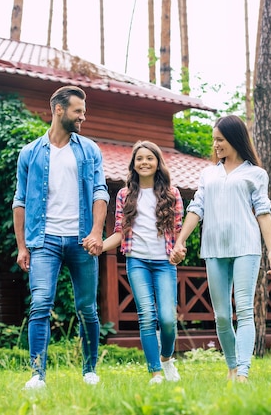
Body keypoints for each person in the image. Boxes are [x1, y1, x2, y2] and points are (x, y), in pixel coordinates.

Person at [13, 85, 110, 390]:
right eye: (78, 111)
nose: (84, 116)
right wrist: (21, 247)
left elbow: (99, 192)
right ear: (58, 109)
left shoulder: (89, 150)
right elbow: (21, 201)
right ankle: (37, 375)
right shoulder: (30, 152)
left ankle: (89, 370)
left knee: (87, 309)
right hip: (44, 241)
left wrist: (96, 232)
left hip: (82, 239)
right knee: (40, 303)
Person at [169, 115, 271, 383]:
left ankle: (242, 372)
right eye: (214, 140)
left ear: (234, 139)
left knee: (243, 310)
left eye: (220, 139)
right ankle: (231, 367)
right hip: (214, 248)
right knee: (220, 315)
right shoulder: (209, 174)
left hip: (246, 247)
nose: (215, 144)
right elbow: (197, 208)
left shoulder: (256, 174)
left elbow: (263, 212)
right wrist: (180, 240)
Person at [102, 140, 183, 385]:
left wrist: (180, 249)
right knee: (147, 316)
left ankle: (167, 358)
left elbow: (178, 232)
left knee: (168, 319)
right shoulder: (125, 195)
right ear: (133, 164)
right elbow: (119, 231)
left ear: (158, 162)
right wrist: (100, 247)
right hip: (137, 261)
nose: (144, 162)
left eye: (149, 158)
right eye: (139, 159)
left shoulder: (172, 193)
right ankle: (155, 372)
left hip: (164, 263)